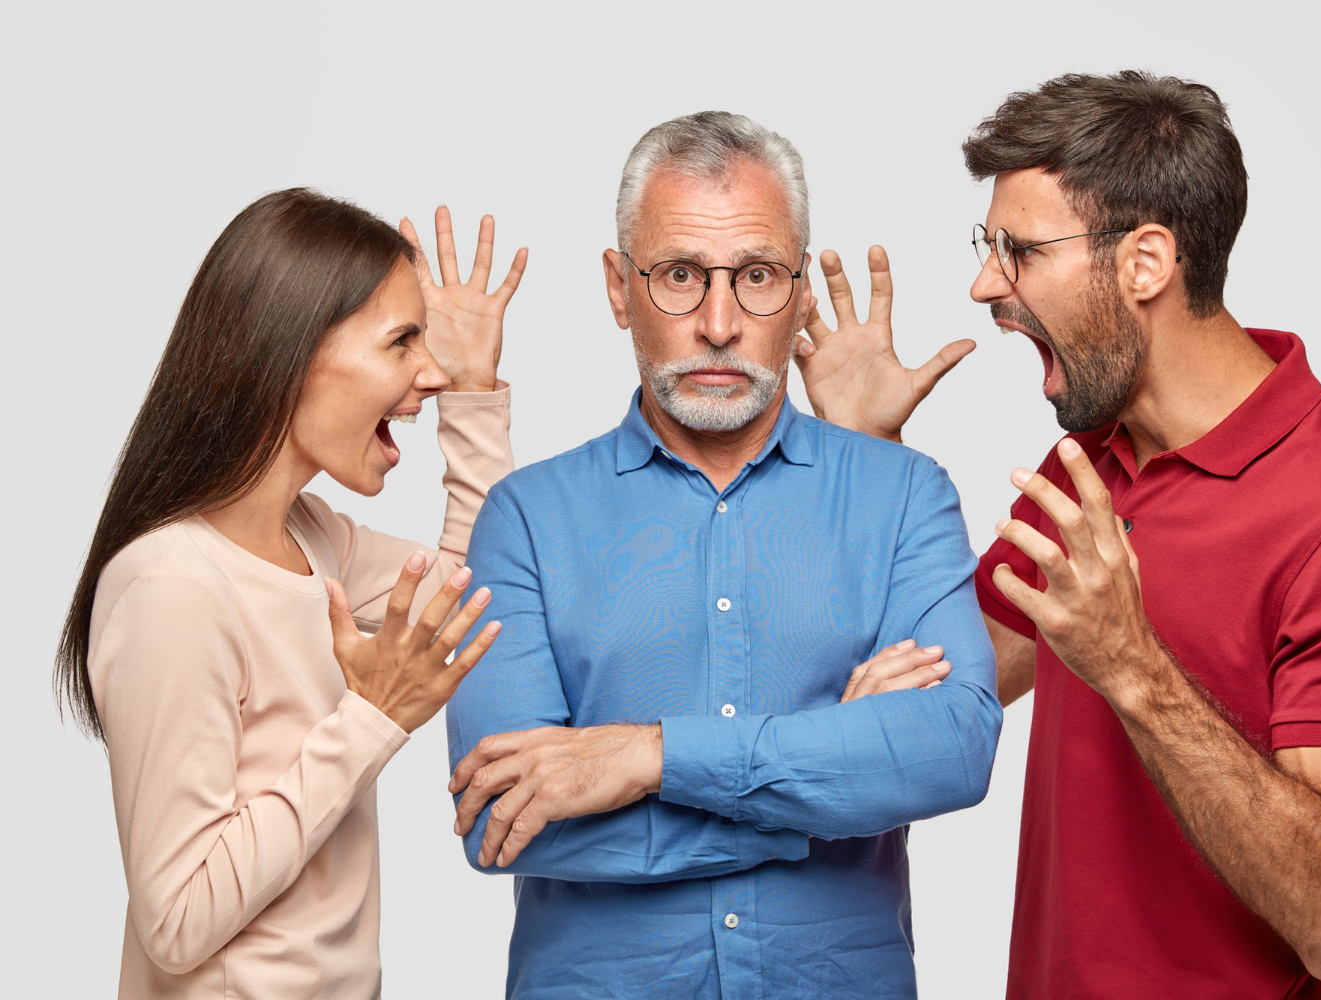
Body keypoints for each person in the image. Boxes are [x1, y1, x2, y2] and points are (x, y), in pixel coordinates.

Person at [793, 72, 1321, 998]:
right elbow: (933, 673)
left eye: (1019, 250)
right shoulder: (1092, 466)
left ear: (1145, 262)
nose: (985, 283)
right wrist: (870, 458)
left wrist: (1131, 664)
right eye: (989, 245)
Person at [444, 111, 1004, 999]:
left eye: (755, 277)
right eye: (677, 275)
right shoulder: (526, 520)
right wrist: (825, 788)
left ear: (802, 295)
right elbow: (504, 820)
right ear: (618, 288)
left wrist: (647, 757)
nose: (717, 322)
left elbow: (952, 749)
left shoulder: (904, 497)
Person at [55, 189, 526, 999]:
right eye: (402, 342)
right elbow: (176, 924)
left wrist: (476, 395)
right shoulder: (171, 586)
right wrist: (371, 719)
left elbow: (481, 591)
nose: (431, 372)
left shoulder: (315, 537)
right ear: (294, 352)